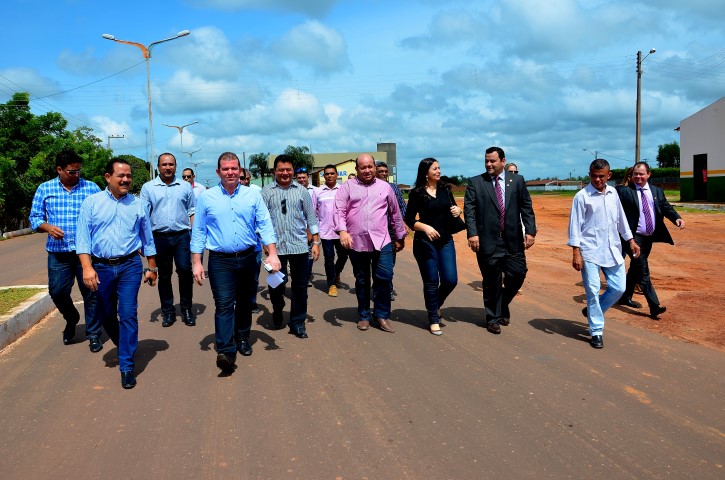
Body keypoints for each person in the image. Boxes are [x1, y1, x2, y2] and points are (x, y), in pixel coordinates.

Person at [192, 152, 280, 374]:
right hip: (220, 261)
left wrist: (273, 253)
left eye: (234, 168)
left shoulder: (252, 195)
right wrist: (197, 262)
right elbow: (199, 230)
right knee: (223, 304)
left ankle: (242, 337)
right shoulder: (206, 197)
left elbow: (265, 224)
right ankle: (226, 350)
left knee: (244, 302)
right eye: (225, 169)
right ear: (218, 172)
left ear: (240, 170)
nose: (230, 172)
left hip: (248, 257)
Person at [76, 158, 158, 389]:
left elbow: (147, 238)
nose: (126, 180)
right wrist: (87, 267)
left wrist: (151, 268)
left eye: (129, 176)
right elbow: (82, 239)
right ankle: (124, 344)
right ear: (107, 177)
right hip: (100, 266)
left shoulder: (138, 204)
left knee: (128, 312)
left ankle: (126, 366)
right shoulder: (91, 203)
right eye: (121, 175)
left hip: (130, 265)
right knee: (104, 314)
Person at [29, 149, 101, 348]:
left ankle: (93, 333)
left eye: (78, 171)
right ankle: (71, 318)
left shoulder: (91, 188)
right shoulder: (45, 189)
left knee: (92, 292)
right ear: (59, 169)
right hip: (58, 252)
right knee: (57, 292)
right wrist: (47, 227)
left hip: (85, 252)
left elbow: (101, 216)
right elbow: (34, 218)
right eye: (71, 171)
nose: (76, 175)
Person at [568, 159, 640, 349]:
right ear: (589, 174)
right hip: (589, 250)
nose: (598, 179)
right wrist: (576, 252)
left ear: (609, 176)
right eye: (594, 175)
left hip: (612, 249)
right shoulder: (581, 196)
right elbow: (575, 225)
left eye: (601, 176)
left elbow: (621, 219)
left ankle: (593, 311)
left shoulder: (613, 192)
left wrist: (630, 240)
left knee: (618, 288)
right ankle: (596, 331)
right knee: (592, 291)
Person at [464, 146, 536, 335]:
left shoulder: (517, 181)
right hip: (487, 240)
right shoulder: (476, 182)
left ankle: (502, 303)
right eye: (486, 161)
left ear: (503, 161)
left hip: (513, 240)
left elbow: (526, 207)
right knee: (491, 281)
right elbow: (469, 211)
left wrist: (530, 231)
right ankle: (493, 318)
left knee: (518, 274)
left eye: (492, 161)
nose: (488, 164)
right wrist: (472, 233)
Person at [334, 153, 407, 333]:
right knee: (362, 280)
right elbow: (339, 211)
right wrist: (342, 232)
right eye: (363, 167)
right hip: (357, 242)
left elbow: (395, 213)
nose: (367, 170)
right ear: (357, 169)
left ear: (374, 167)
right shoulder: (347, 187)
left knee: (384, 277)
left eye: (370, 167)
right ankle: (364, 315)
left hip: (382, 241)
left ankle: (381, 315)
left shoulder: (385, 187)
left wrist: (400, 236)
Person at [262, 155, 320, 338]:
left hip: (299, 247)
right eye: (281, 170)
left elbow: (311, 218)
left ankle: (297, 322)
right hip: (275, 249)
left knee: (300, 287)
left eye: (288, 170)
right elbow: (260, 220)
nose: (285, 173)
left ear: (293, 171)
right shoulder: (266, 192)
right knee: (277, 284)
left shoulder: (302, 191)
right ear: (275, 172)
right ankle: (277, 308)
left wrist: (316, 242)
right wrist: (264, 243)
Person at [616, 161, 685, 318]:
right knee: (643, 270)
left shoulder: (657, 191)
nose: (638, 176)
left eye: (641, 174)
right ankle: (654, 306)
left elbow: (666, 207)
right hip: (633, 238)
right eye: (635, 174)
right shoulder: (625, 191)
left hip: (649, 237)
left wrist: (677, 218)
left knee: (636, 267)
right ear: (631, 175)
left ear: (648, 175)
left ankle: (625, 297)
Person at [404, 158, 461, 335]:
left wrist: (458, 210)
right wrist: (425, 227)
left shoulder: (445, 189)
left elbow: (453, 208)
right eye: (435, 168)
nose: (439, 171)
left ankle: (435, 304)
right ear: (426, 172)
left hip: (445, 240)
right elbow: (409, 219)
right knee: (431, 281)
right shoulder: (417, 193)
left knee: (451, 280)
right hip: (424, 243)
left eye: (439, 168)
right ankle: (433, 318)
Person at [140, 153, 196, 328]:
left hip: (181, 236)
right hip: (159, 237)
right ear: (158, 167)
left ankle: (187, 309)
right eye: (164, 164)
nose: (167, 167)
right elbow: (143, 216)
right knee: (164, 275)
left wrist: (194, 236)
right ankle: (168, 312)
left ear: (175, 166)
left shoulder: (185, 187)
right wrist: (143, 241)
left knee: (185, 271)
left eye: (171, 164)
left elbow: (192, 211)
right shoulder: (148, 188)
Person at [313, 164, 348, 297]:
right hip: (325, 231)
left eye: (332, 173)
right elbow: (314, 213)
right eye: (327, 173)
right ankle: (331, 284)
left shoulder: (343, 190)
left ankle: (336, 272)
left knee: (344, 256)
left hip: (341, 231)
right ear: (324, 175)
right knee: (329, 258)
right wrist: (314, 231)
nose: (329, 176)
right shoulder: (318, 191)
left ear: (337, 175)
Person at [240, 168, 263, 313]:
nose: (245, 181)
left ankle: (252, 302)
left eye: (248, 178)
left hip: (255, 243)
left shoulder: (256, 193)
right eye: (242, 178)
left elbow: (263, 219)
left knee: (253, 276)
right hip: (238, 245)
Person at [295, 167, 316, 287]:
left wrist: (311, 229)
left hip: (311, 227)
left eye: (304, 177)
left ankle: (306, 276)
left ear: (308, 177)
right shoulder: (293, 190)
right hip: (297, 228)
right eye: (299, 178)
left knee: (309, 253)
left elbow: (315, 211)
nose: (302, 180)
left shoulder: (315, 191)